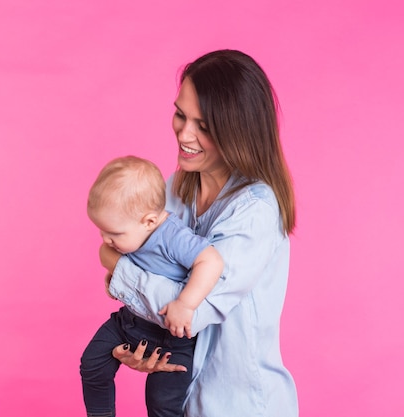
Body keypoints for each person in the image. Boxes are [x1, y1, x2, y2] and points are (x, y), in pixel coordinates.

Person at [99, 49, 299, 416]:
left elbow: (190, 313)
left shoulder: (255, 211)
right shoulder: (176, 187)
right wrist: (142, 343)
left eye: (203, 125)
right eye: (180, 114)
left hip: (241, 406)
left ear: (237, 130)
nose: (184, 133)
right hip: (184, 399)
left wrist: (117, 270)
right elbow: (162, 308)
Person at [80, 155, 224, 417]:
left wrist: (185, 303)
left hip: (173, 339)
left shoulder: (172, 236)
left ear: (149, 221)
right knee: (92, 362)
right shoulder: (133, 229)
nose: (105, 240)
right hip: (129, 323)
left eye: (114, 234)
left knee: (162, 400)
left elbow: (211, 261)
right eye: (102, 232)